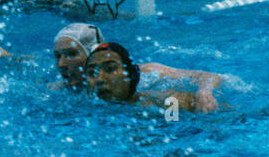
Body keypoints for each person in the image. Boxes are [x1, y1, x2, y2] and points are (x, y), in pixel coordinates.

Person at [51, 23, 226, 110]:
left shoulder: (147, 74)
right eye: (58, 56)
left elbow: (210, 76)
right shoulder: (61, 90)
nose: (62, 64)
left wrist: (204, 92)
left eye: (71, 54)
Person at [85, 42, 221, 113]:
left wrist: (204, 91)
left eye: (110, 69)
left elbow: (176, 127)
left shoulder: (167, 101)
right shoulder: (87, 108)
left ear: (130, 75)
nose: (99, 79)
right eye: (92, 72)